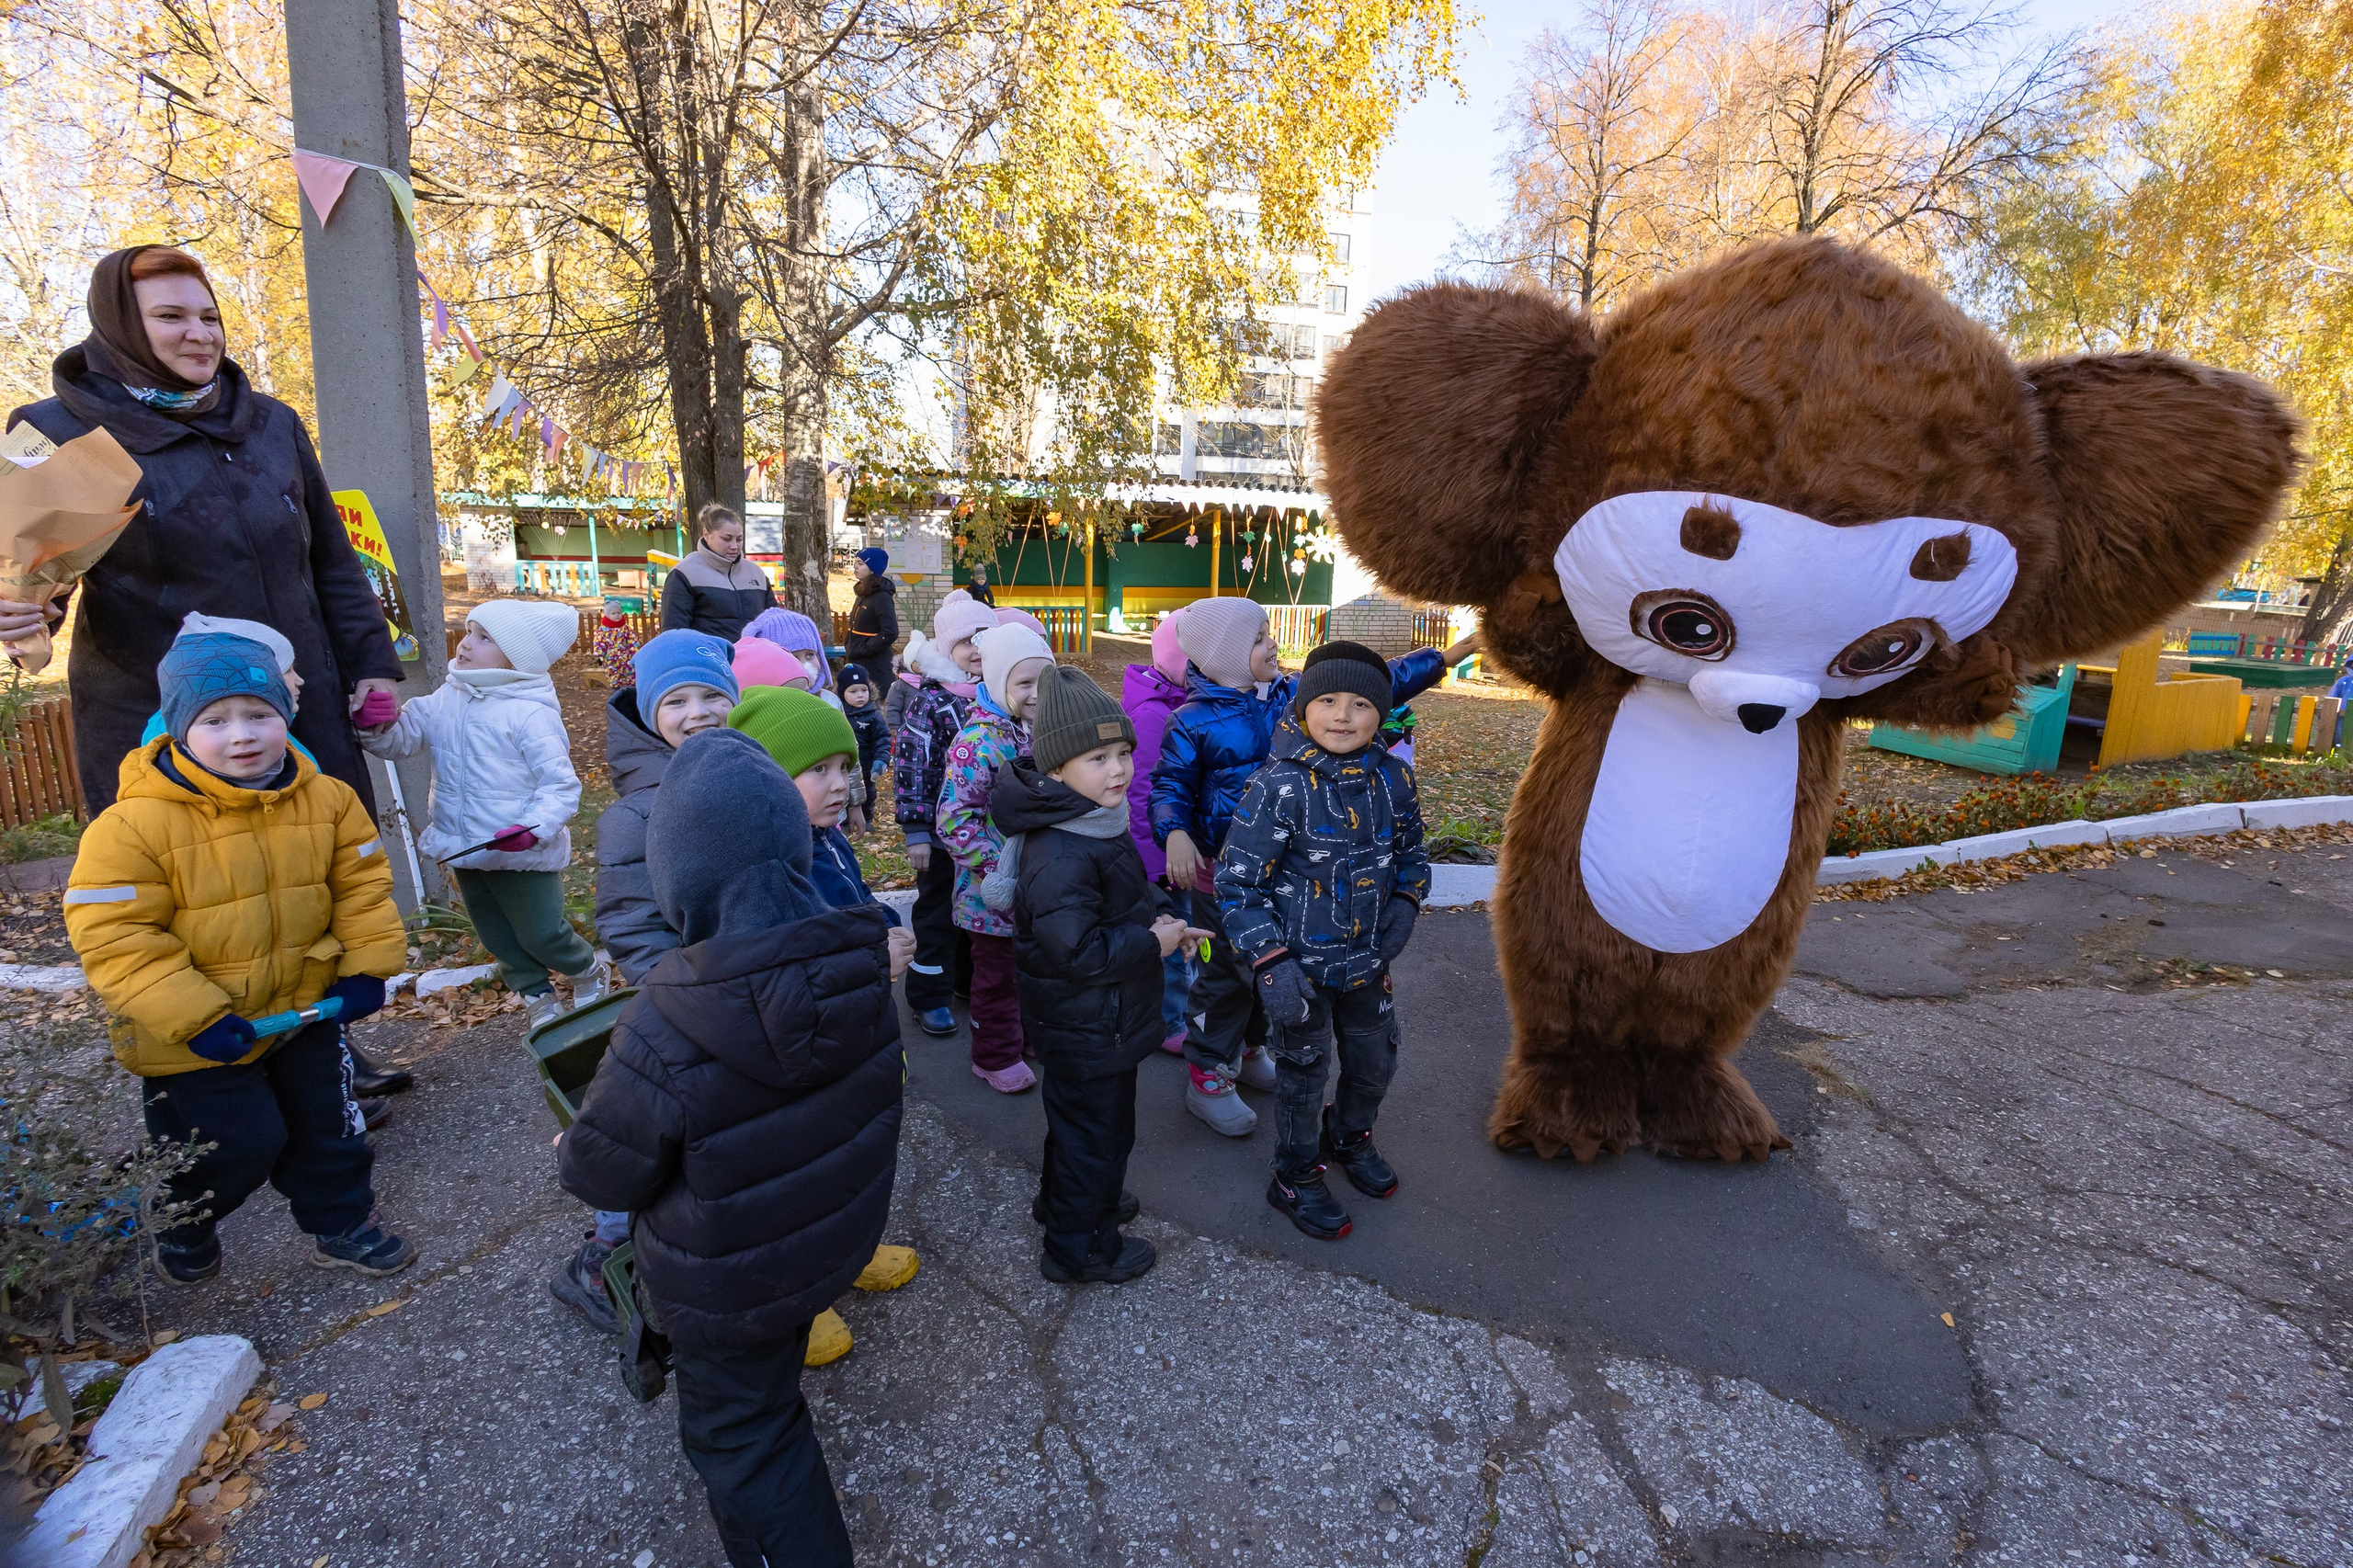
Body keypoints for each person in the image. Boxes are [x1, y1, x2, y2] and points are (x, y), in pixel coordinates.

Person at [559, 728, 902, 1568]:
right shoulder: (860, 966)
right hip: (820, 1243)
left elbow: (604, 1169)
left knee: (745, 1442)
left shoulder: (666, 1019)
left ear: (676, 880)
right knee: (771, 1392)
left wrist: (575, 1137)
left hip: (721, 1283)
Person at [63, 628, 413, 1284]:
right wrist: (193, 1015)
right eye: (215, 720)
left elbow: (362, 888)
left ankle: (341, 1222)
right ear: (176, 728)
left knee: (329, 1132)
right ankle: (183, 1216)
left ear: (286, 714)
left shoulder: (327, 801)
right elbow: (118, 937)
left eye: (260, 714)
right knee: (229, 1146)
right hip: (198, 1033)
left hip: (305, 1009)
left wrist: (366, 964)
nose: (242, 734)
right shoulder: (132, 827)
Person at [0, 245, 401, 815]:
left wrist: (372, 667)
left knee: (324, 872)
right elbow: (28, 576)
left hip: (296, 703)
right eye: (171, 317)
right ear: (120, 325)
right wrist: (20, 611)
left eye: (209, 317)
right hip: (162, 721)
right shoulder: (56, 430)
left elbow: (331, 561)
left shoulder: (271, 423)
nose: (200, 335)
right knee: (197, 888)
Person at [1150, 597, 1451, 1136]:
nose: (1273, 644)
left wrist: (1443, 657)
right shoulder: (1191, 721)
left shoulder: (1292, 697)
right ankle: (1208, 1073)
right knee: (1225, 977)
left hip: (1284, 880)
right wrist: (1173, 831)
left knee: (1278, 970)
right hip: (1221, 878)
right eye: (1260, 637)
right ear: (1226, 657)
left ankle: (1248, 1050)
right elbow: (1170, 784)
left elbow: (1376, 683)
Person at [724, 684, 923, 1361]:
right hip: (809, 1053)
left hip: (856, 1039)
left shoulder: (828, 839)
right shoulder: (768, 870)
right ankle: (805, 1299)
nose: (841, 784)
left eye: (845, 767)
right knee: (801, 1181)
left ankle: (849, 1254)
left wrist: (886, 929)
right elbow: (795, 968)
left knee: (852, 1164)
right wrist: (874, 954)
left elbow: (858, 906)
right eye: (818, 771)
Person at [1214, 641, 1430, 1241]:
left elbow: (1413, 856)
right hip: (1298, 974)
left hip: (1368, 964)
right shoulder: (1280, 787)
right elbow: (1238, 885)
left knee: (1373, 1063)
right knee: (1303, 1078)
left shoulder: (1395, 781)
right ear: (1304, 708)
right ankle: (1295, 1174)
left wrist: (1407, 904)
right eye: (1328, 700)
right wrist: (1272, 964)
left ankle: (1350, 1136)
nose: (1342, 715)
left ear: (1381, 713)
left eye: (1361, 703)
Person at [555, 630, 740, 1331]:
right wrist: (689, 992)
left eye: (712, 695)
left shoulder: (750, 775)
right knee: (651, 1135)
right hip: (683, 1003)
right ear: (647, 714)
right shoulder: (636, 813)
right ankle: (605, 1257)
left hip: (741, 996)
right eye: (678, 700)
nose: (698, 712)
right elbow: (632, 924)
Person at [988, 667, 1198, 1283]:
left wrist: (1161, 920)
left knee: (1081, 1128)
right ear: (1055, 770)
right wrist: (1150, 944)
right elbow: (1075, 951)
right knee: (1097, 1138)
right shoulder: (1061, 850)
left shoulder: (1090, 820)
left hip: (1094, 1020)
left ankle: (1066, 1204)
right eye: (1098, 757)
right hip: (1088, 1024)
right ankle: (1080, 1249)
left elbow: (1121, 902)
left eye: (1124, 753)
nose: (1119, 770)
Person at [360, 600, 608, 1031]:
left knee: (540, 932)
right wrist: (376, 725)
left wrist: (532, 831)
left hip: (520, 850)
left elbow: (561, 785)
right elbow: (399, 742)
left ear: (518, 657)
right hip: (466, 845)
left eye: (483, 637)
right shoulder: (447, 696)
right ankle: (535, 993)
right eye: (469, 631)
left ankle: (587, 970)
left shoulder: (531, 713)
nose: (466, 644)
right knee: (499, 936)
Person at [938, 621, 1055, 1092]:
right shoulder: (978, 744)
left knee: (1032, 969)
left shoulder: (1045, 732)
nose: (1034, 694)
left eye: (1043, 683)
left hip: (1040, 883)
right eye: (1023, 683)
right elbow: (953, 818)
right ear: (996, 682)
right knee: (996, 979)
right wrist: (995, 869)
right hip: (990, 893)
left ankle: (1021, 1036)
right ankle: (994, 1054)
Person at [892, 593, 997, 1037]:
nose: (975, 648)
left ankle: (965, 982)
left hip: (984, 832)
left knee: (975, 912)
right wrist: (916, 830)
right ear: (945, 649)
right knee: (937, 917)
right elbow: (912, 767)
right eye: (965, 641)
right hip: (938, 834)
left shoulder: (998, 691)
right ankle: (928, 995)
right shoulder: (933, 701)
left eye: (984, 638)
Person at [1123, 609, 1194, 1055]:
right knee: (1171, 936)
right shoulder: (1154, 714)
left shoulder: (1184, 701)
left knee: (1186, 936)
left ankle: (1178, 1011)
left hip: (1183, 850)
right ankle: (1169, 1022)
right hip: (1163, 859)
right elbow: (1140, 792)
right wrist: (1157, 863)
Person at [660, 504, 776, 642]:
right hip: (708, 660)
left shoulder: (756, 573)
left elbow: (774, 622)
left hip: (754, 660)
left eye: (739, 539)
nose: (734, 546)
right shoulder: (684, 573)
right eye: (726, 539)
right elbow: (674, 632)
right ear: (706, 535)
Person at [742, 607, 842, 708]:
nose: (804, 666)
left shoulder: (831, 701)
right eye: (793, 659)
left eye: (810, 655)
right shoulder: (764, 709)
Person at [836, 663, 888, 830]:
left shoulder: (873, 716)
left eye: (863, 690)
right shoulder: (837, 713)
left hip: (866, 765)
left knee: (868, 793)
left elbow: (883, 739)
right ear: (842, 693)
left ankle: (866, 819)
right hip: (842, 766)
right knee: (841, 790)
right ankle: (843, 820)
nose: (860, 695)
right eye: (853, 691)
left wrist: (881, 760)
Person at [844, 547, 899, 665]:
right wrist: (850, 645)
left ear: (873, 569)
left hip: (875, 665)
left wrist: (864, 649)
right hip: (857, 659)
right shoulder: (863, 592)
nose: (855, 566)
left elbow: (890, 632)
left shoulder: (882, 597)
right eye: (855, 562)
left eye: (860, 563)